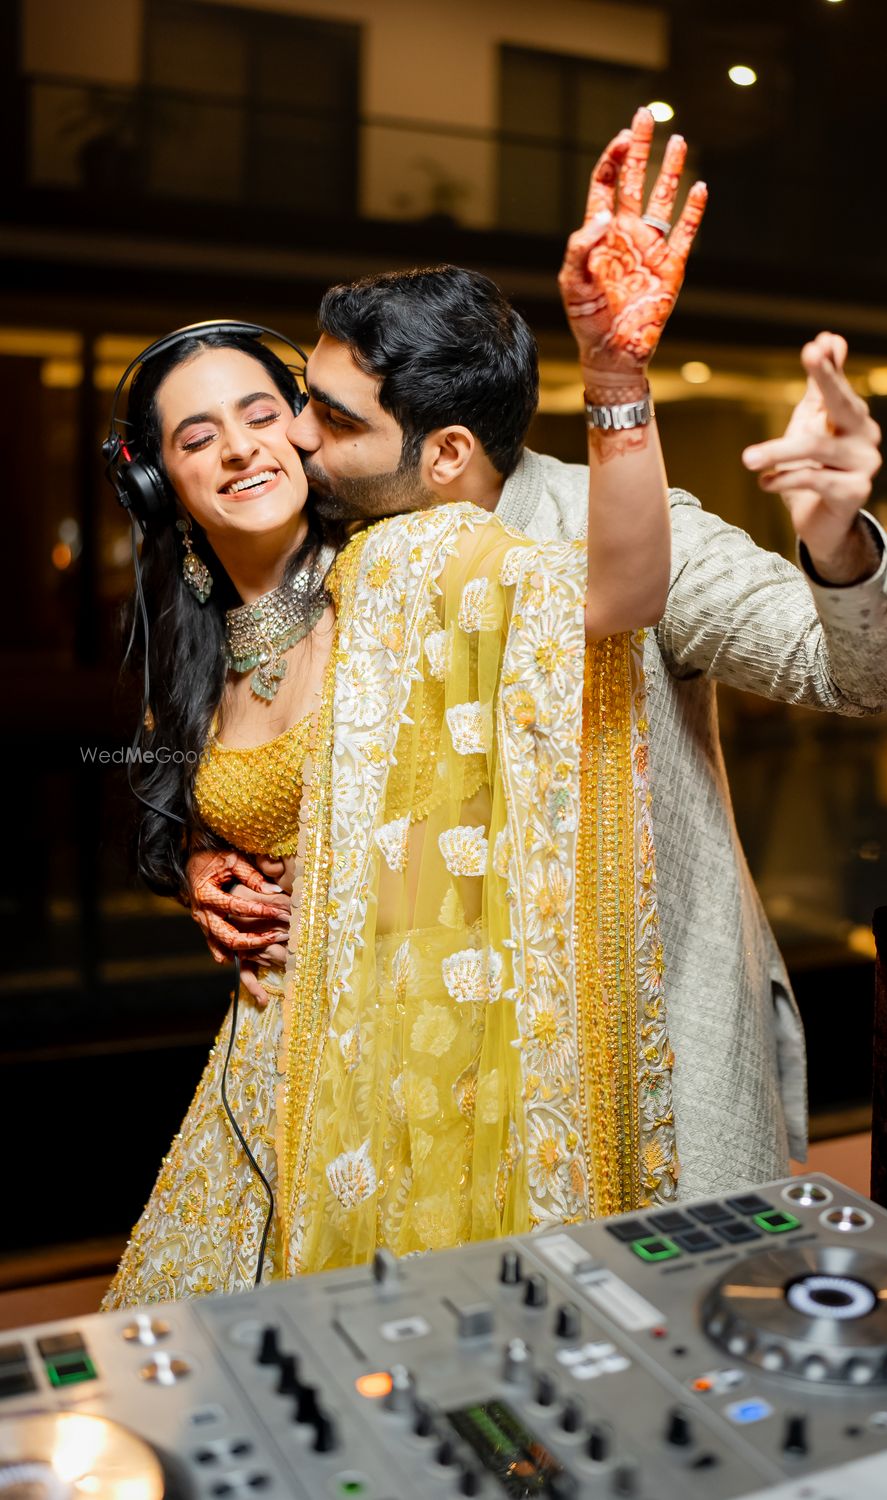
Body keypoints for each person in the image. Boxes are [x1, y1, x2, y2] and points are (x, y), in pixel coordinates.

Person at [189, 109, 887, 1202]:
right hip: (411, 1085)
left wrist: (832, 535)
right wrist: (208, 868)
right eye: (305, 398)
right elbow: (253, 752)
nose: (297, 435)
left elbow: (868, 678)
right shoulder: (328, 553)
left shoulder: (620, 528)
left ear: (443, 453)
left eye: (331, 417)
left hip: (636, 1050)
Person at [103, 119, 707, 1305]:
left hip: (420, 1084)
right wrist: (200, 861)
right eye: (194, 435)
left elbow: (620, 592)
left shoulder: (403, 572)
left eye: (265, 410)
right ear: (157, 483)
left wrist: (617, 378)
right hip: (265, 1083)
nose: (241, 448)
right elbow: (260, 805)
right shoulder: (191, 649)